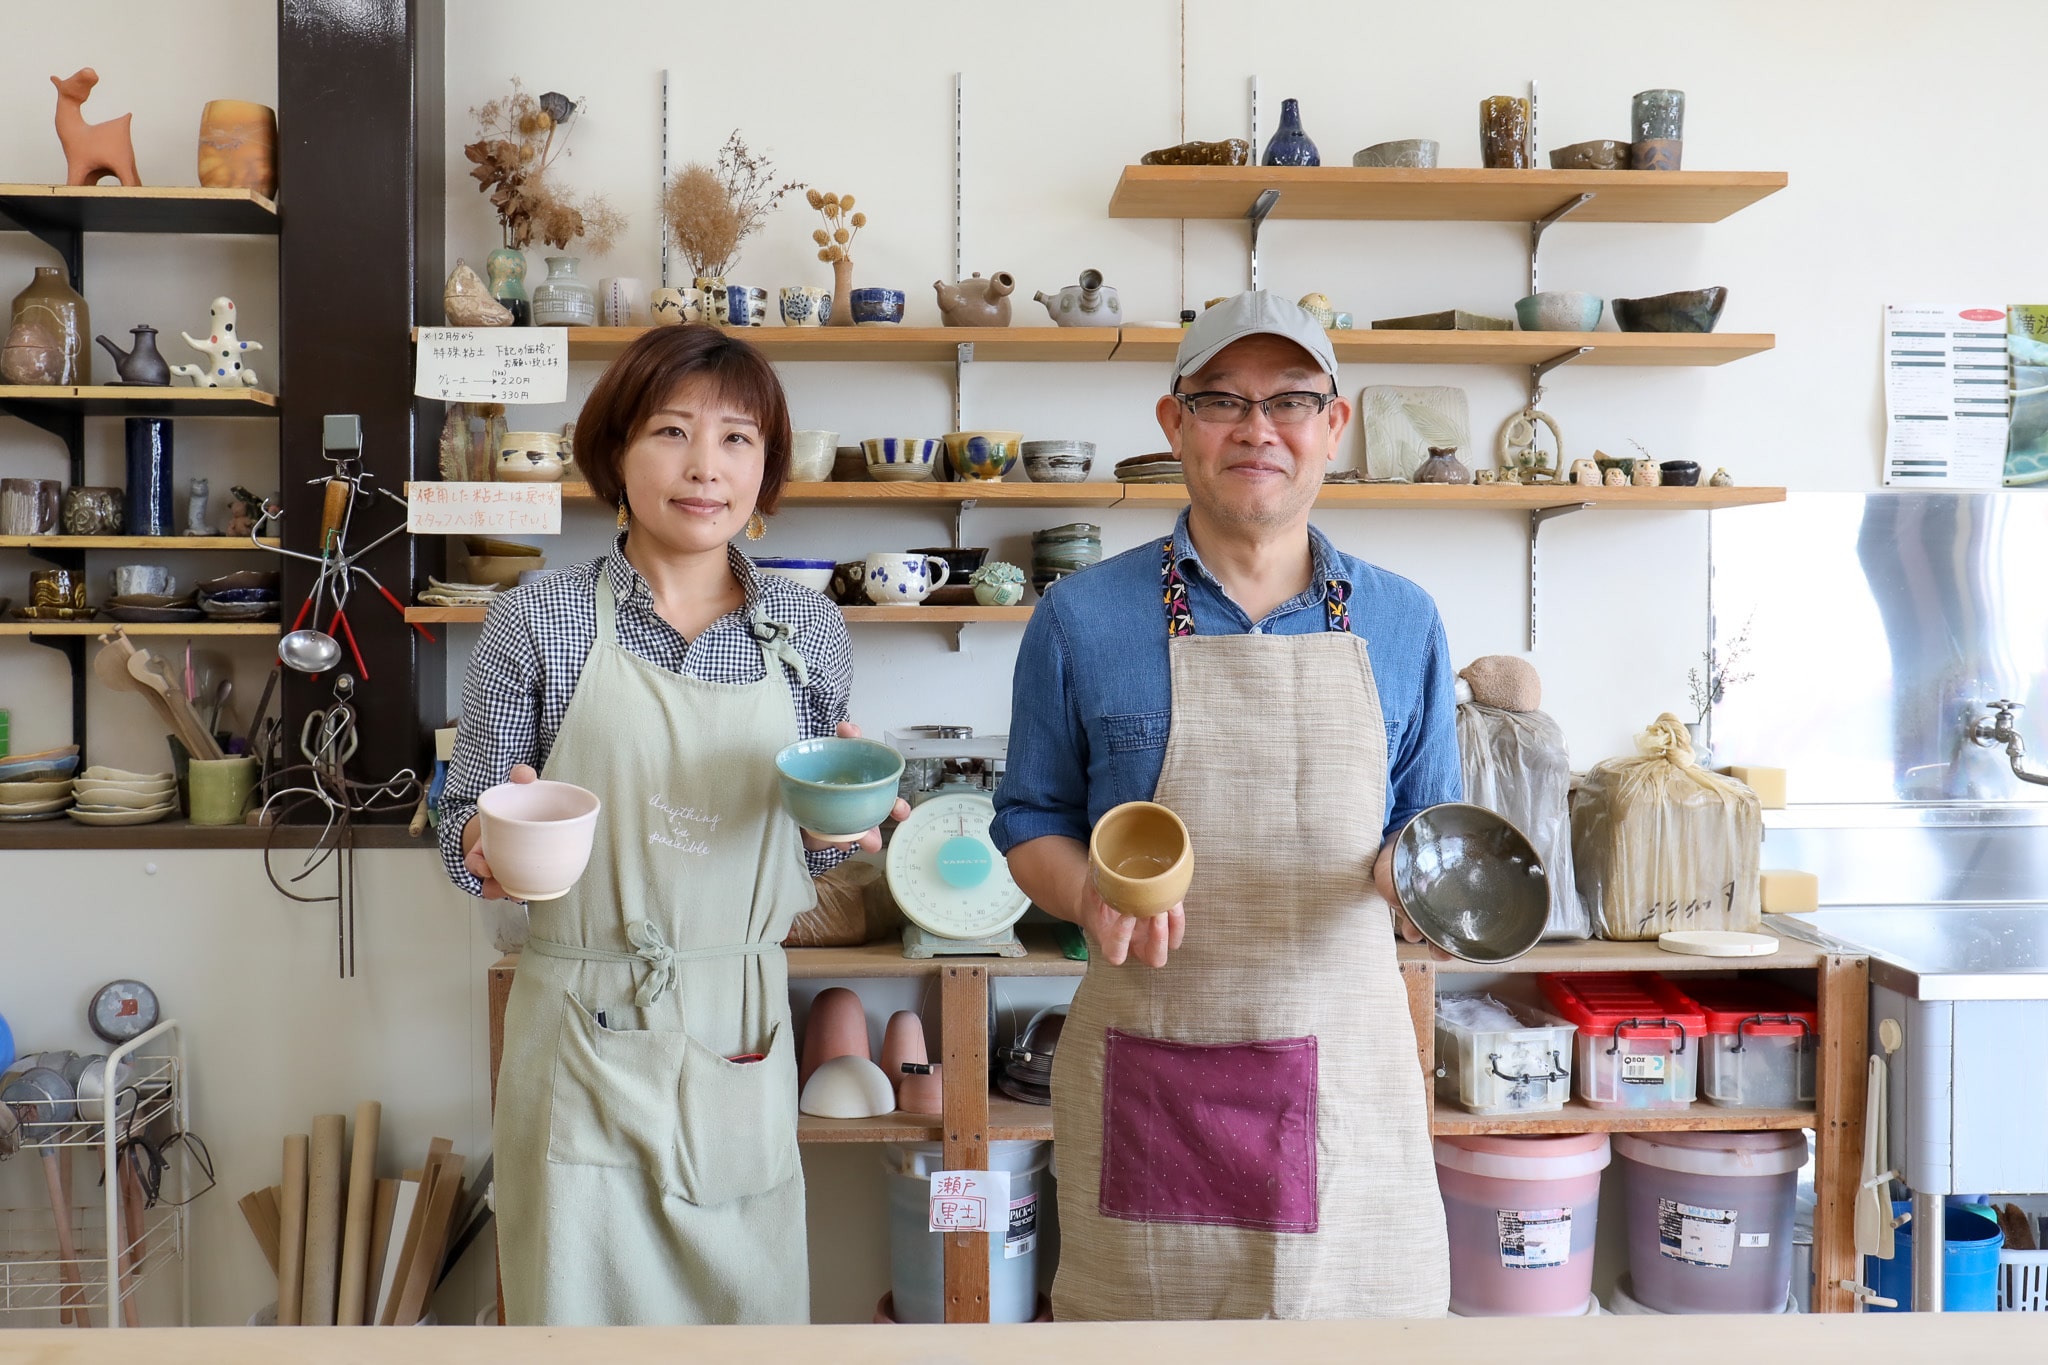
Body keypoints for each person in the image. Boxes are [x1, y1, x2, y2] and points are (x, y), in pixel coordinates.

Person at [992, 291, 1459, 1320]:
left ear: (1333, 425)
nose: (1258, 429)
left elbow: (1434, 837)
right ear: (1174, 424)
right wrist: (1088, 895)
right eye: (1220, 401)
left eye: (1290, 400)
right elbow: (1028, 822)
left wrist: (1411, 880)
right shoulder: (1079, 617)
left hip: (1345, 1077)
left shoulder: (1404, 621)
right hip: (1155, 1068)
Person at [437, 325, 905, 1326]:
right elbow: (460, 816)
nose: (705, 466)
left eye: (737, 438)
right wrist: (483, 845)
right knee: (575, 1316)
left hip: (735, 1025)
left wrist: (843, 827)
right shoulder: (537, 619)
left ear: (766, 467)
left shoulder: (806, 629)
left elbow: (805, 843)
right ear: (615, 453)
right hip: (576, 1028)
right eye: (670, 431)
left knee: (746, 1320)